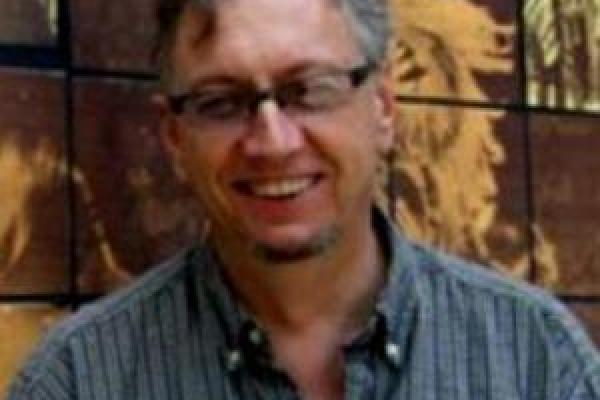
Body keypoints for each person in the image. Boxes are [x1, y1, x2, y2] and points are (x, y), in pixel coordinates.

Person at [7, 0, 600, 399]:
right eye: (221, 102)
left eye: (310, 91)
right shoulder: (80, 379)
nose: (272, 142)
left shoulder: (533, 359)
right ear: (174, 137)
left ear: (384, 108)